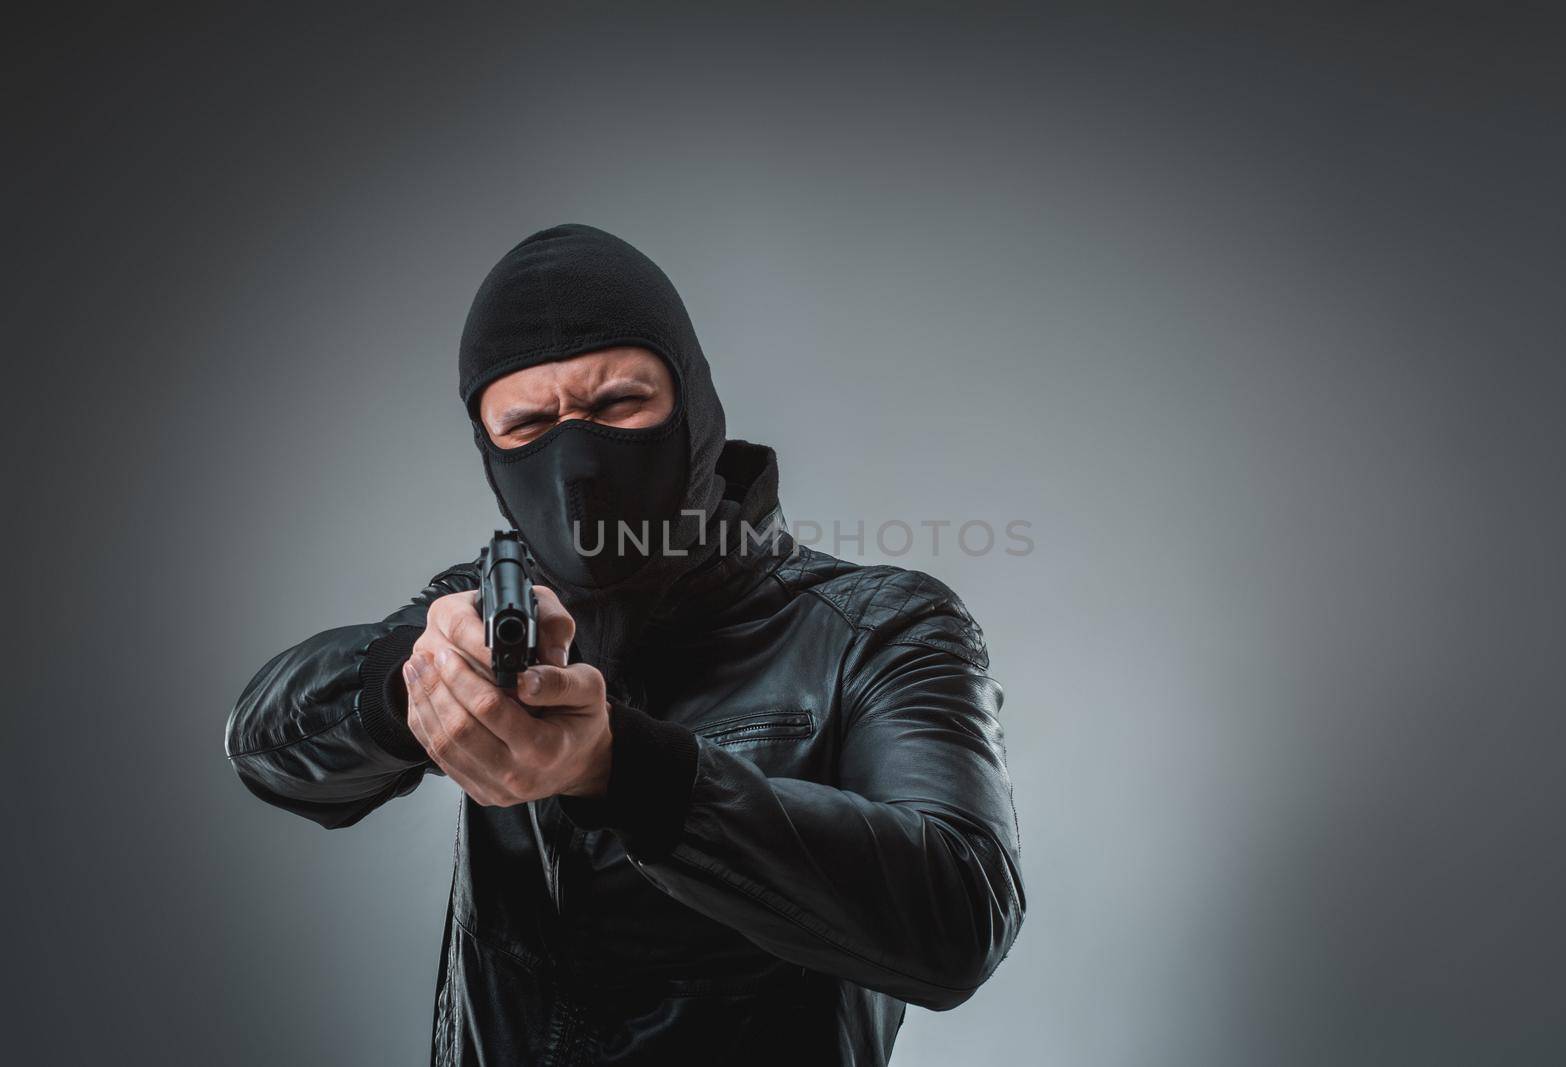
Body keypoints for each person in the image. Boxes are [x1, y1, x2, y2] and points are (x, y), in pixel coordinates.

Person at [226, 223, 1025, 1065]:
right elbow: (261, 743)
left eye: (617, 405)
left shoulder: (879, 627)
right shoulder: (481, 610)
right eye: (529, 423)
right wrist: (408, 687)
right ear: (489, 452)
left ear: (694, 406)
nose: (576, 462)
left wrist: (624, 772)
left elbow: (960, 911)